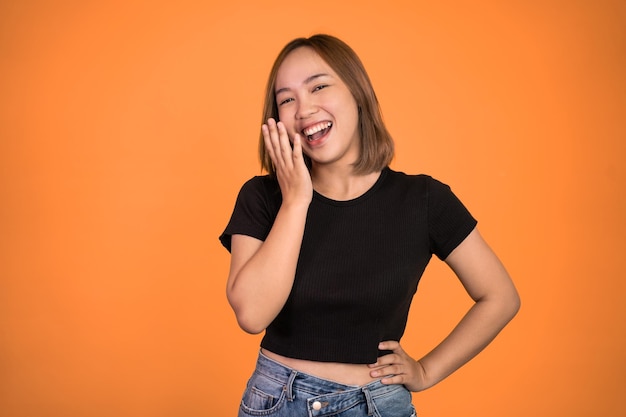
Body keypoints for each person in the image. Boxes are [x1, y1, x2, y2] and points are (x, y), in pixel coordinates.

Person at [219, 34, 520, 417]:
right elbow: (252, 315)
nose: (304, 108)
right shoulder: (263, 197)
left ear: (357, 94)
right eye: (287, 99)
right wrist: (296, 201)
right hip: (280, 401)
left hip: (379, 405)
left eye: (319, 86)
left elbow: (500, 297)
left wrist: (426, 370)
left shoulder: (424, 199)